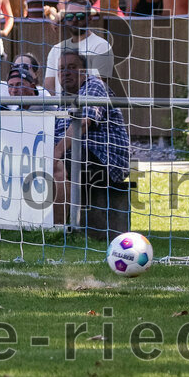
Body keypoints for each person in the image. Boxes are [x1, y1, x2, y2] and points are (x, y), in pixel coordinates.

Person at [53, 49, 130, 239]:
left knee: (62, 160)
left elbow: (84, 122)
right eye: (62, 69)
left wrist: (56, 152)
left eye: (72, 67)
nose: (66, 73)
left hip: (106, 160)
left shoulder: (94, 85)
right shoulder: (62, 99)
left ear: (84, 71)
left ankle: (61, 230)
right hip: (83, 155)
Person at [43, 0, 114, 95]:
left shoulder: (101, 46)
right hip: (60, 107)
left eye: (80, 16)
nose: (74, 20)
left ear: (89, 18)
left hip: (88, 106)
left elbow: (98, 85)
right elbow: (49, 86)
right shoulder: (56, 49)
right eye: (69, 16)